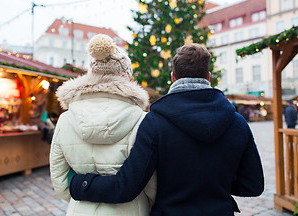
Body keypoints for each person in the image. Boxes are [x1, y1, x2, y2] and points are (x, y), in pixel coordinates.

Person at [69, 43, 264, 216]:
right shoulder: (237, 123)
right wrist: (217, 184)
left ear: (173, 77)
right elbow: (253, 185)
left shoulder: (155, 123)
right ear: (208, 77)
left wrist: (80, 184)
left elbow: (126, 186)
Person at [49, 34, 156, 216]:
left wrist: (85, 195)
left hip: (81, 209)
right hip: (131, 209)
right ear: (126, 77)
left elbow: (59, 178)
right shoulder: (142, 119)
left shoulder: (66, 119)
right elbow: (151, 182)